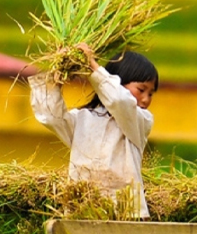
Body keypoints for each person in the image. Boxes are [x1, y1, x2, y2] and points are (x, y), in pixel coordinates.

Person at [29, 43, 158, 219]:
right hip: (82, 210)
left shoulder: (140, 120)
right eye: (142, 90)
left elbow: (119, 100)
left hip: (125, 213)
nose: (146, 99)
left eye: (151, 93)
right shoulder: (82, 118)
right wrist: (54, 78)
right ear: (117, 81)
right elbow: (50, 116)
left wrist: (91, 65)